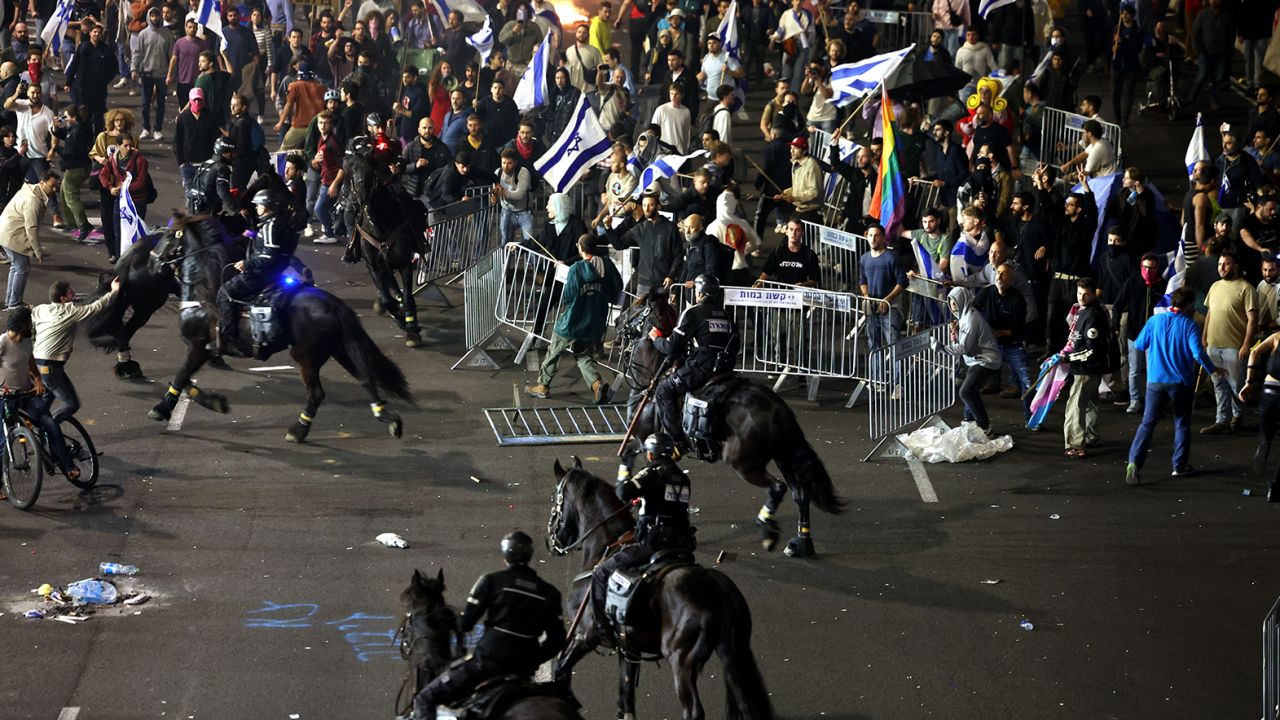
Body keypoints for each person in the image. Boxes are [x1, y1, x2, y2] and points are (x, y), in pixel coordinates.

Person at [411, 531, 565, 720]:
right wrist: (534, 659)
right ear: (529, 555)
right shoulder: (550, 593)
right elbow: (558, 639)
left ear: (505, 555)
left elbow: (465, 625)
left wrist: (449, 618)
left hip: (487, 662)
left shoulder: (492, 581)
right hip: (525, 667)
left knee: (425, 699)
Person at [589, 433, 694, 647]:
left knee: (600, 573)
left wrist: (626, 465)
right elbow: (667, 503)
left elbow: (621, 491)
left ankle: (603, 631)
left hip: (653, 542)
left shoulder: (652, 472)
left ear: (650, 454)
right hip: (681, 543)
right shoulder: (683, 477)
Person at [1126, 287, 1223, 485]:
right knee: (1182, 423)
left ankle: (1133, 465)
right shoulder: (1190, 325)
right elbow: (1198, 353)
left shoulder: (1155, 321)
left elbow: (1139, 344)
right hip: (1181, 383)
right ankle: (1179, 466)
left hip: (1155, 381)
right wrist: (1213, 370)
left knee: (1147, 423)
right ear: (1188, 305)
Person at [525, 236, 623, 404]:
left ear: (580, 248)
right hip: (596, 320)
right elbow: (618, 287)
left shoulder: (577, 268)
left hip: (573, 320)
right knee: (583, 355)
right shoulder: (607, 265)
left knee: (554, 351)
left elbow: (568, 296)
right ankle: (596, 384)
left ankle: (543, 385)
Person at [651, 274, 738, 451]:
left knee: (663, 391)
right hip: (727, 369)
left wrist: (655, 339)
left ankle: (678, 442)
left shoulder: (693, 312)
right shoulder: (727, 315)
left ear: (699, 293)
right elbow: (736, 345)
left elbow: (671, 347)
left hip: (703, 369)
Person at [0, 306, 84, 480]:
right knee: (2, 441)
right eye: (29, 323)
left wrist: (37, 380)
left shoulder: (26, 342)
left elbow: (30, 362)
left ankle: (67, 465)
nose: (32, 326)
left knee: (50, 424)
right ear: (23, 325)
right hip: (4, 397)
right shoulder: (3, 343)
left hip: (25, 394)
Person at [217, 190, 300, 353]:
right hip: (272, 272)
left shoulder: (270, 226)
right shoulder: (275, 223)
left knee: (224, 293)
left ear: (267, 207)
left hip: (261, 275)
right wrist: (254, 235)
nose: (256, 209)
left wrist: (247, 264)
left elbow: (269, 256)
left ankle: (228, 338)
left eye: (259, 205)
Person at [32, 278, 122, 422]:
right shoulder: (70, 312)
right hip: (51, 366)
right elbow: (95, 307)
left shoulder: (41, 309)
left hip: (37, 362)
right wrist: (114, 292)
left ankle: (35, 424)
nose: (73, 292)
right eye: (69, 292)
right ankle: (50, 427)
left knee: (47, 398)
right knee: (71, 403)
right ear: (63, 298)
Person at [1056, 278, 1116, 459]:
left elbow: (1091, 350)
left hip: (1087, 368)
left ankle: (1075, 445)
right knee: (1090, 404)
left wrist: (1068, 357)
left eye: (1086, 294)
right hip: (1090, 368)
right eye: (1079, 293)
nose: (1081, 297)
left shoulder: (1092, 315)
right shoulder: (1086, 311)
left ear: (1093, 293)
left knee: (1075, 406)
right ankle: (1091, 436)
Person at [1201, 251, 1257, 434]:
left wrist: (1246, 344)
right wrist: (1204, 337)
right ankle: (1222, 420)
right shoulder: (1215, 286)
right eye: (1219, 264)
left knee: (1235, 384)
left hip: (1234, 346)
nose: (1222, 267)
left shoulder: (1246, 288)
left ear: (1235, 266)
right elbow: (1210, 313)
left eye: (1226, 264)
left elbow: (1252, 319)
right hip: (1213, 345)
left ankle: (1237, 416)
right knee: (1218, 384)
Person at [944, 286, 1001, 436]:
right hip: (977, 359)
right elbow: (965, 344)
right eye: (950, 302)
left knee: (966, 391)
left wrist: (939, 347)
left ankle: (985, 427)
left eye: (955, 302)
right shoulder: (964, 316)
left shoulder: (970, 319)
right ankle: (969, 422)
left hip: (986, 360)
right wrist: (955, 334)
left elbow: (964, 348)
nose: (952, 306)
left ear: (962, 300)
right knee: (971, 390)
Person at [606, 192, 684, 296]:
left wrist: (671, 275)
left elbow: (678, 255)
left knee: (661, 312)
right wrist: (608, 228)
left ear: (658, 206)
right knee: (637, 311)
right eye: (644, 205)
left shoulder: (670, 228)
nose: (646, 208)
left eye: (650, 205)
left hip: (663, 283)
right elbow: (619, 244)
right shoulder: (640, 228)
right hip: (643, 283)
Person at [0, 171, 57, 309]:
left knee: (16, 267)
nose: (54, 189)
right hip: (13, 236)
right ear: (42, 183)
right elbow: (31, 228)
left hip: (6, 232)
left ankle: (11, 301)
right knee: (22, 268)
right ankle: (14, 303)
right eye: (52, 186)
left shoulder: (31, 190)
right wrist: (37, 251)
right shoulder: (33, 200)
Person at [97, 134, 150, 263]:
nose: (129, 148)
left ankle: (137, 260)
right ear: (118, 146)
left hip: (137, 200)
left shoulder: (140, 160)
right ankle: (120, 259)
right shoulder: (113, 159)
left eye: (130, 145)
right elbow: (103, 174)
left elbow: (141, 182)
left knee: (136, 231)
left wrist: (124, 189)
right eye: (125, 145)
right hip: (121, 200)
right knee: (119, 230)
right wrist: (110, 187)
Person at [174, 87, 217, 195]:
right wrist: (181, 162)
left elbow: (215, 138)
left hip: (206, 163)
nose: (197, 102)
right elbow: (177, 141)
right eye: (195, 100)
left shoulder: (210, 117)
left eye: (199, 100)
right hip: (188, 164)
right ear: (190, 101)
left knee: (206, 193)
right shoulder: (183, 118)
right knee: (190, 195)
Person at [758, 217, 819, 287]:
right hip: (780, 294)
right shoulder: (778, 251)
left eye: (797, 230)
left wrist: (803, 285)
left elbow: (814, 280)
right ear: (786, 232)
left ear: (802, 233)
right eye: (791, 229)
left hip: (798, 294)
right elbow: (766, 271)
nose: (793, 233)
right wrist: (759, 283)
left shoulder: (809, 254)